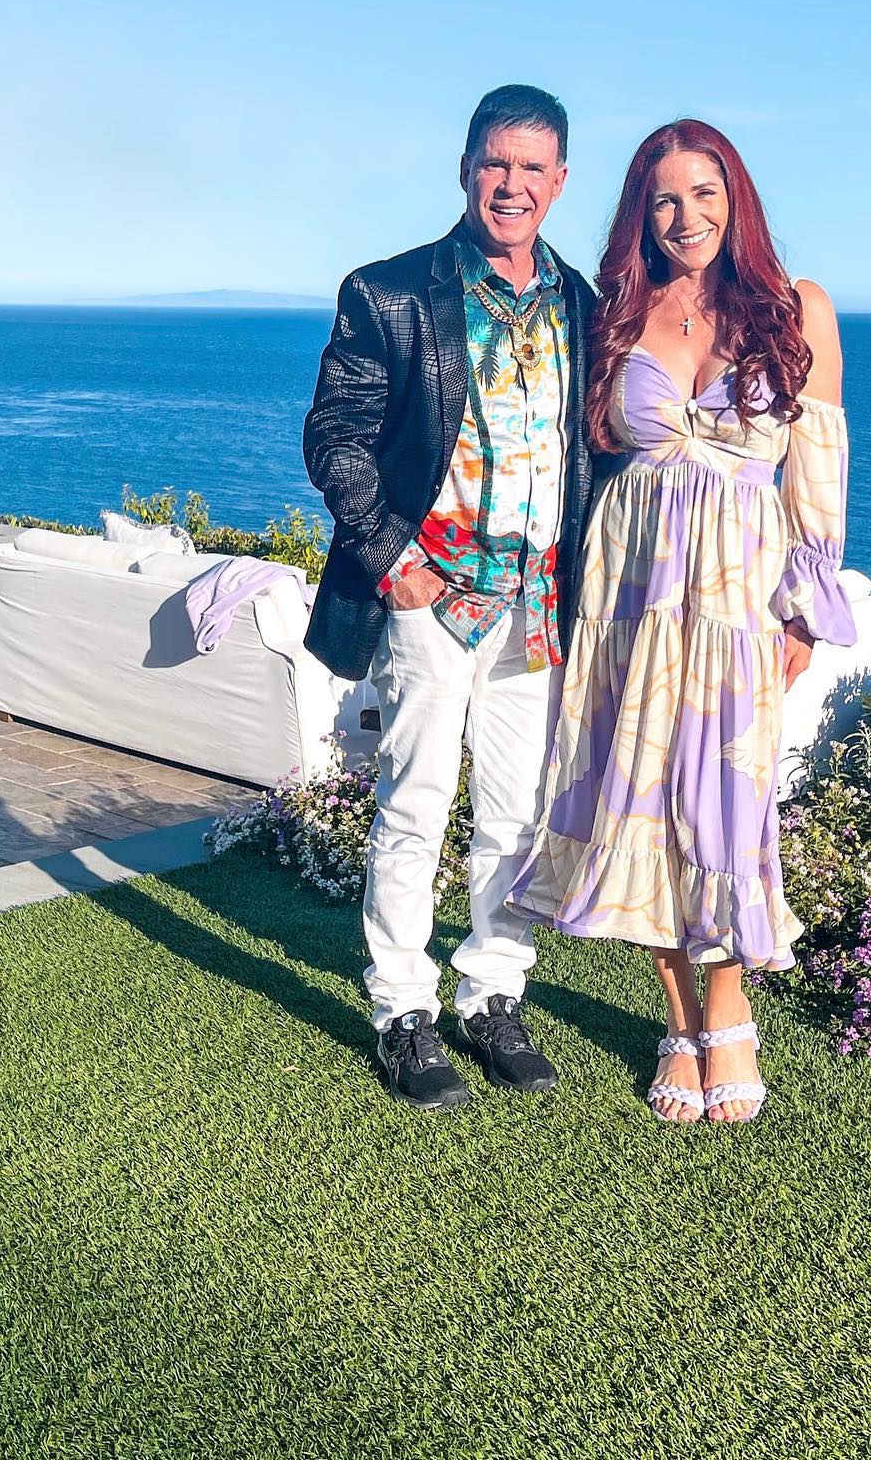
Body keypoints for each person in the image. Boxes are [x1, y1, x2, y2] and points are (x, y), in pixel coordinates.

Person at [509, 119, 856, 1124]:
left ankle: (730, 1006)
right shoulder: (617, 311)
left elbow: (817, 471)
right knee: (639, 804)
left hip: (738, 596)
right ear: (640, 213)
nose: (685, 216)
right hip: (629, 589)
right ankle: (676, 1017)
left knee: (725, 807)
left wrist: (804, 607)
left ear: (735, 197)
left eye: (705, 193)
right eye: (665, 198)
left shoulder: (799, 310)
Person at [302, 85, 596, 1111]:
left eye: (532, 169)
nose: (511, 185)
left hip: (538, 607)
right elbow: (334, 440)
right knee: (416, 805)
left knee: (515, 818)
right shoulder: (388, 294)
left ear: (560, 184)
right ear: (467, 166)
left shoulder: (585, 306)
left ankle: (492, 996)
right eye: (495, 163)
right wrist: (394, 559)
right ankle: (404, 1012)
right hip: (431, 601)